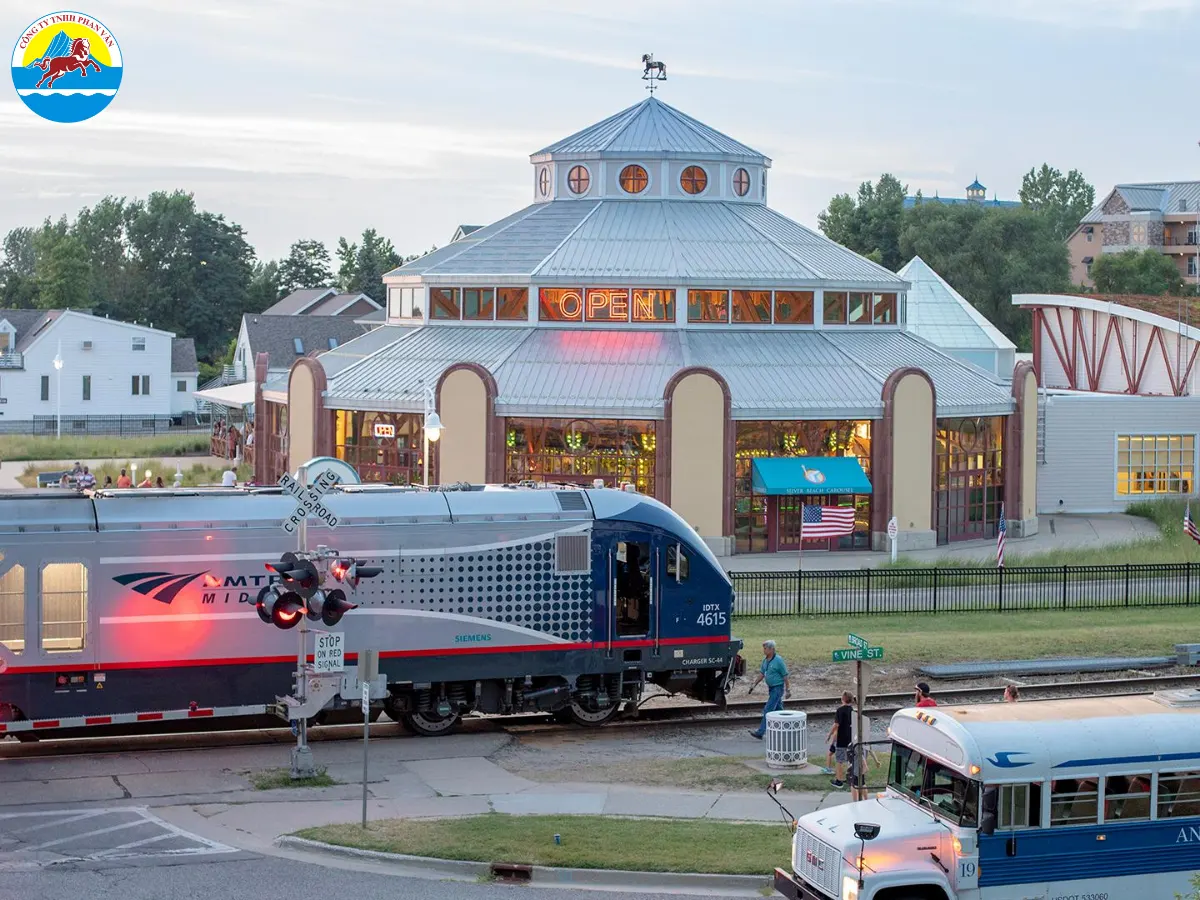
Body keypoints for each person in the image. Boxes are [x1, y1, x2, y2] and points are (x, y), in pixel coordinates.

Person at [748, 640, 792, 739]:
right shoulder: (765, 661)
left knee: (768, 709)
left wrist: (788, 689)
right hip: (771, 689)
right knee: (779, 709)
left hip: (777, 688)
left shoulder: (778, 660)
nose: (764, 650)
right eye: (763, 648)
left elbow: (785, 676)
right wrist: (754, 684)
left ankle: (760, 732)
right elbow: (762, 674)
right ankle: (787, 728)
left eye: (765, 648)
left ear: (772, 649)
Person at [827, 692, 854, 789]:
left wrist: (829, 735)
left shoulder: (840, 710)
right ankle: (849, 778)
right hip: (850, 739)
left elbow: (836, 725)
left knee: (839, 761)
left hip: (841, 739)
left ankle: (839, 781)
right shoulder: (852, 710)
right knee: (849, 760)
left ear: (842, 699)